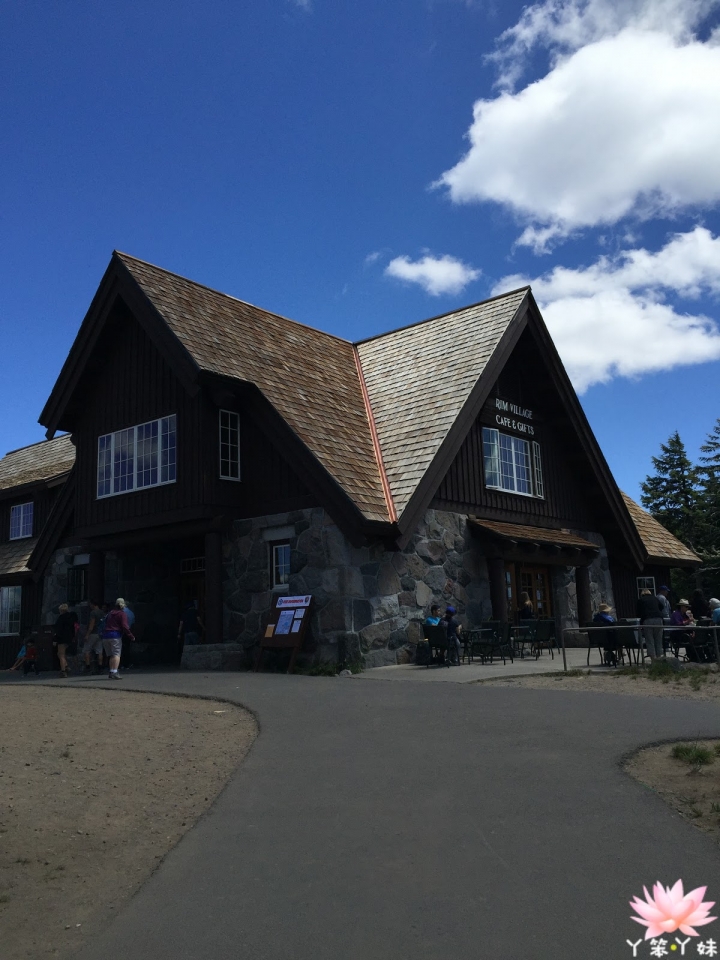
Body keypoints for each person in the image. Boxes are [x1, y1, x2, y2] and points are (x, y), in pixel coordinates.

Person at [102, 598, 135, 680]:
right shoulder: (122, 614)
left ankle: (111, 671)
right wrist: (131, 636)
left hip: (106, 635)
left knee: (111, 655)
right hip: (115, 635)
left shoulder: (110, 613)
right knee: (116, 654)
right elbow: (125, 626)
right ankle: (115, 671)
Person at [636, 588, 664, 663]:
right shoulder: (655, 598)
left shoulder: (641, 600)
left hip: (647, 619)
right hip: (659, 619)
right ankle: (659, 658)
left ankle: (653, 659)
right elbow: (662, 607)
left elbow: (638, 613)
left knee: (649, 640)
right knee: (658, 639)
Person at [53, 603, 79, 678]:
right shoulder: (72, 617)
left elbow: (58, 630)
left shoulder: (61, 618)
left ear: (60, 610)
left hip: (62, 638)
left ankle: (63, 671)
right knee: (60, 654)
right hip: (70, 638)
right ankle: (66, 666)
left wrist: (55, 639)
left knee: (61, 655)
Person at [82, 601, 104, 674]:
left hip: (93, 633)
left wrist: (87, 634)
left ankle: (88, 667)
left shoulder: (93, 613)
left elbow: (91, 624)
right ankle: (100, 667)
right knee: (99, 651)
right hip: (100, 633)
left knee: (86, 650)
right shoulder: (102, 613)